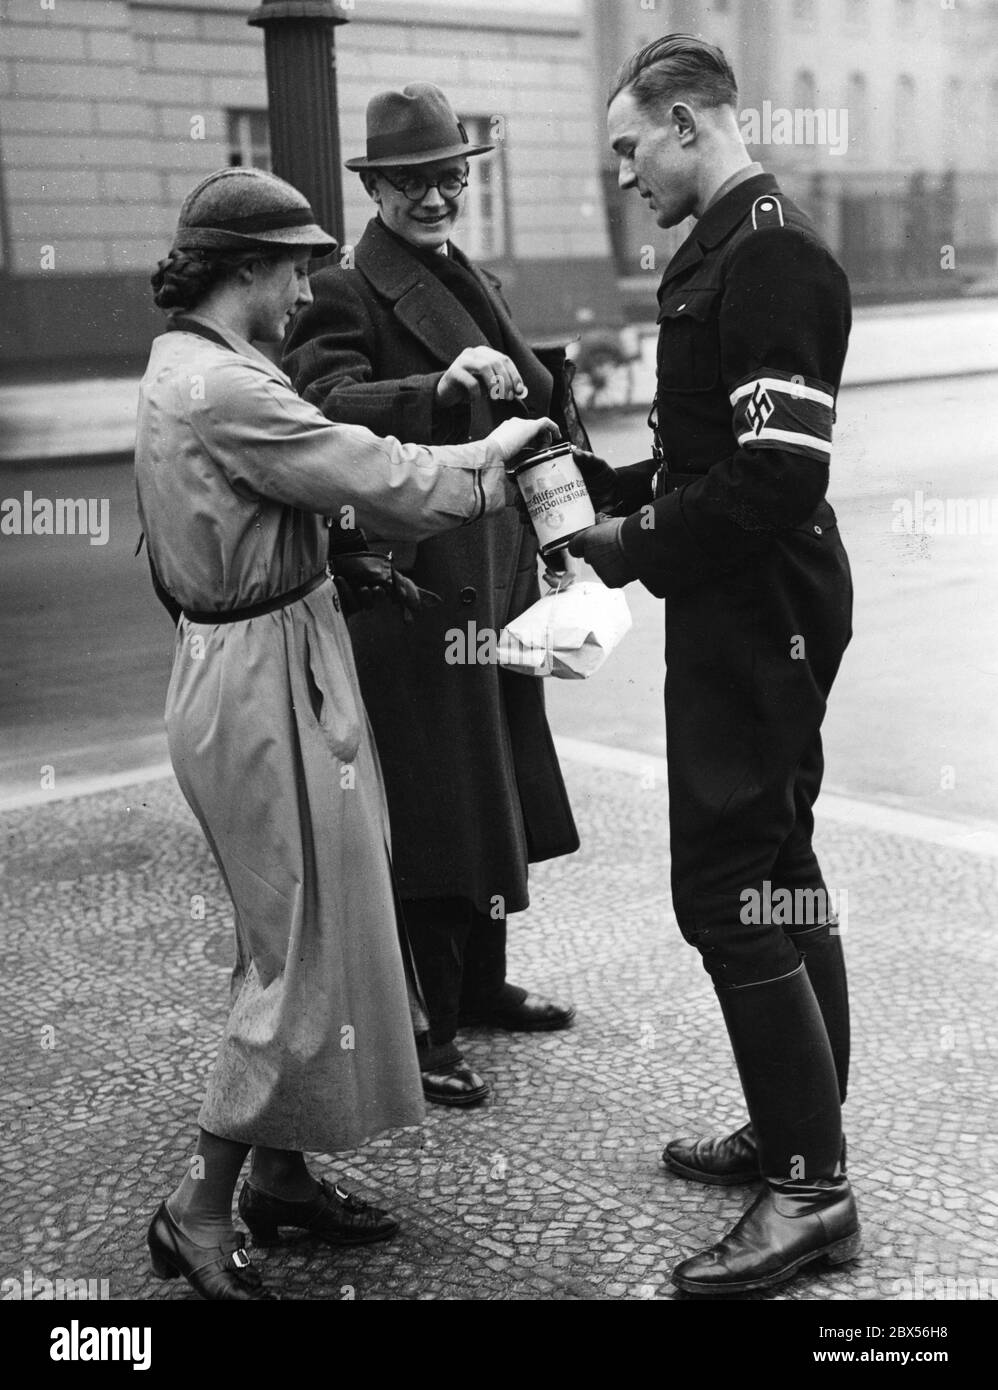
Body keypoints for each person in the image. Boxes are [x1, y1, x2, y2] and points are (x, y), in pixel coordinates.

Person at [136, 166, 557, 1299]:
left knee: (297, 932)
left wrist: (344, 564)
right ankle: (200, 1206)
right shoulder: (227, 384)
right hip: (263, 675)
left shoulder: (187, 365)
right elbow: (376, 474)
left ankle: (278, 1178)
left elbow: (277, 503)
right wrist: (493, 458)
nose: (302, 285)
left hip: (266, 655)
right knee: (302, 952)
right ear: (245, 270)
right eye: (290, 266)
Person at [569, 36, 859, 1295]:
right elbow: (712, 453)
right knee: (779, 865)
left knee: (727, 885)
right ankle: (802, 1132)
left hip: (759, 604)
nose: (623, 172)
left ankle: (808, 1192)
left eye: (630, 145)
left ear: (686, 122)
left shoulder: (769, 251)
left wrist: (629, 542)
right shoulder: (733, 241)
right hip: (751, 594)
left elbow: (777, 474)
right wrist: (603, 489)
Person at [284, 84, 583, 1108]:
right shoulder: (343, 286)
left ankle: (484, 985)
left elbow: (530, 404)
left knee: (495, 780)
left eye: (448, 177)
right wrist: (438, 391)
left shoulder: (467, 272)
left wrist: (557, 531)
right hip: (415, 586)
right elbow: (321, 410)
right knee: (440, 802)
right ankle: (430, 1026)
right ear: (377, 188)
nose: (435, 196)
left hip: (490, 567)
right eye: (412, 182)